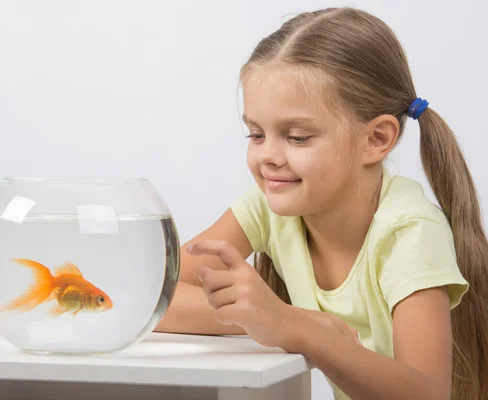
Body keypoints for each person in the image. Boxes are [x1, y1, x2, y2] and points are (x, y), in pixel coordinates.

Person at [155, 7, 488, 400]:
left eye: (297, 137)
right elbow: (153, 297)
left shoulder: (409, 233)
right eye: (256, 134)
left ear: (376, 139)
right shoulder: (267, 208)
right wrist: (277, 320)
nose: (268, 156)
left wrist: (291, 326)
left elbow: (426, 394)